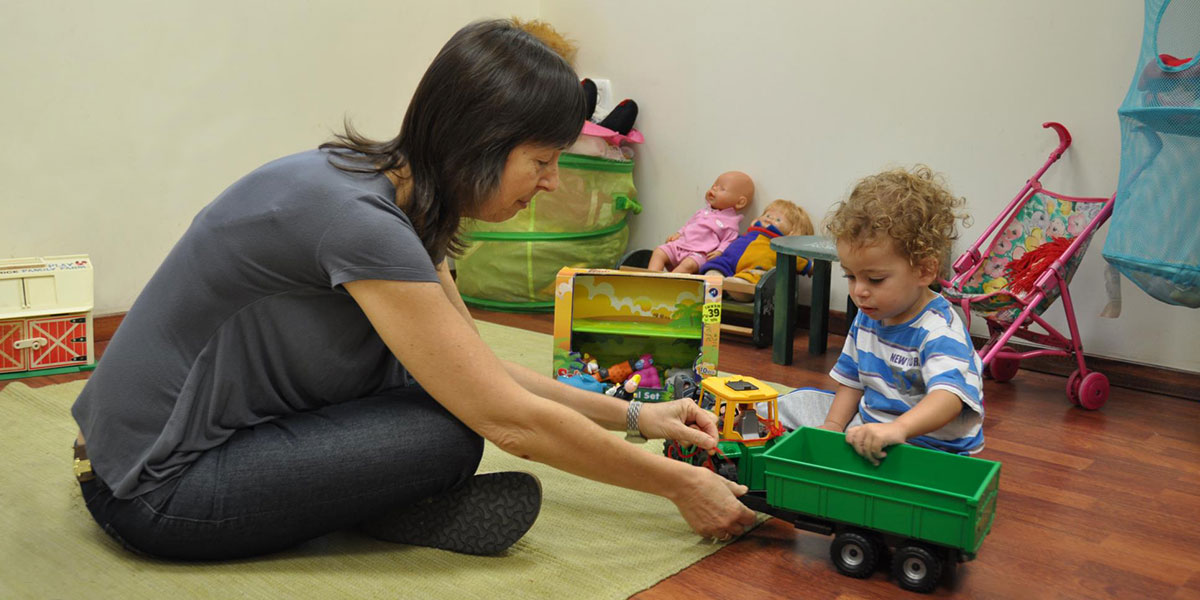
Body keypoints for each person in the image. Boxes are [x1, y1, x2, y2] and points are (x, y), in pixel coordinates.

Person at [70, 19, 756, 561]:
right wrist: (680, 484)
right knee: (451, 433)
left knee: (444, 395)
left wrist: (639, 419)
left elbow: (476, 369)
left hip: (141, 450)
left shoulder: (387, 194)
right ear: (482, 142)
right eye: (541, 162)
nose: (549, 184)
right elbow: (504, 419)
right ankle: (372, 506)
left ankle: (360, 501)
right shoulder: (359, 222)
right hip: (156, 491)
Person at [798, 166, 984, 464]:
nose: (859, 291)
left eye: (875, 279)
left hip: (932, 449)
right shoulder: (869, 316)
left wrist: (898, 429)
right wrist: (833, 425)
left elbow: (949, 399)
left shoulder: (939, 330)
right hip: (874, 430)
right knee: (793, 406)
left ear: (924, 270)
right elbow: (852, 379)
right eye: (850, 276)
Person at [699, 199, 814, 302]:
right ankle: (715, 280)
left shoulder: (779, 247)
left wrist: (810, 267)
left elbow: (797, 261)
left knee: (755, 276)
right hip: (727, 264)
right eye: (768, 216)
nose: (770, 219)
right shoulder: (746, 235)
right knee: (715, 268)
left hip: (750, 272)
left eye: (778, 219)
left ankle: (737, 289)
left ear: (792, 232)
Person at [647, 171, 753, 274]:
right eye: (714, 186)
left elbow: (729, 241)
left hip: (699, 254)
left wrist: (719, 251)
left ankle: (668, 282)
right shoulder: (703, 211)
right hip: (680, 245)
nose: (714, 189)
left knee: (688, 265)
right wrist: (678, 234)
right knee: (659, 251)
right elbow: (689, 225)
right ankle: (651, 277)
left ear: (740, 202)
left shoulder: (730, 223)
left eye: (722, 189)